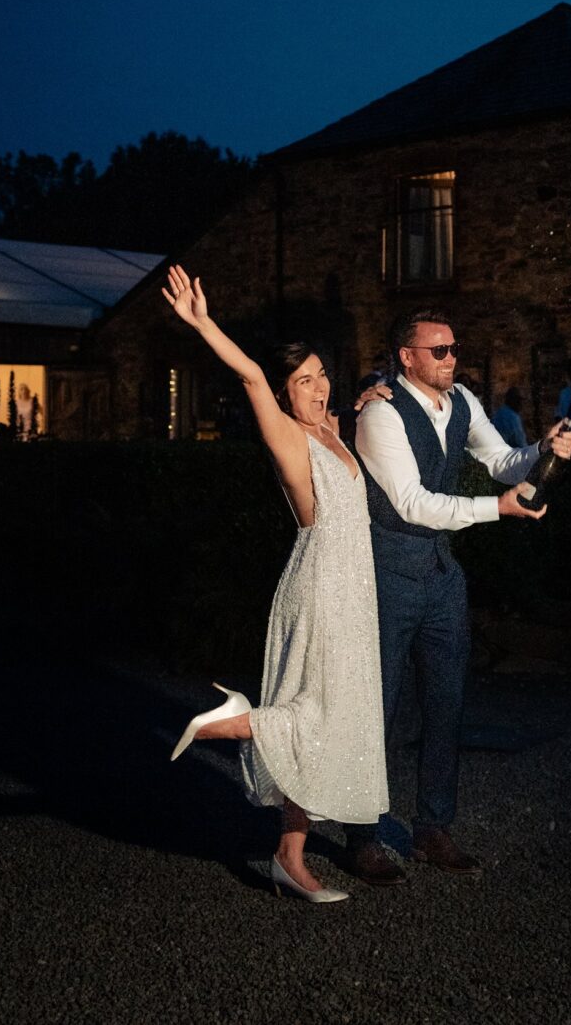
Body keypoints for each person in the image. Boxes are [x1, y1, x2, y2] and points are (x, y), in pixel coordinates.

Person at [163, 265, 389, 905]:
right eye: (303, 382)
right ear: (286, 395)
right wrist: (203, 321)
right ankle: (227, 721)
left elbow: (349, 408)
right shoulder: (289, 437)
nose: (317, 388)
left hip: (354, 592)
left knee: (337, 719)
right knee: (313, 718)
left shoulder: (331, 430)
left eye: (321, 377)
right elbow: (251, 376)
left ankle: (289, 857)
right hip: (320, 587)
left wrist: (363, 396)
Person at [343, 309, 571, 885]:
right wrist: (497, 508)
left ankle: (432, 829)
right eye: (440, 350)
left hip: (441, 571)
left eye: (454, 347)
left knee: (447, 701)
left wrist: (542, 450)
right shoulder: (380, 413)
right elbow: (412, 504)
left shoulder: (464, 401)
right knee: (379, 709)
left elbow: (503, 462)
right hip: (387, 569)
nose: (452, 358)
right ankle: (362, 836)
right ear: (407, 358)